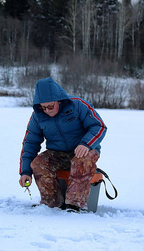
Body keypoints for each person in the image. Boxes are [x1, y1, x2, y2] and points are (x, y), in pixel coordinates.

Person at [18, 77, 107, 211]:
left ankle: (75, 205)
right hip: (57, 153)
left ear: (59, 100)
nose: (47, 110)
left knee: (81, 159)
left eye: (50, 106)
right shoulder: (37, 116)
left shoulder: (78, 105)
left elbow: (99, 126)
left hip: (84, 149)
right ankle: (52, 203)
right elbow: (30, 143)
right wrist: (25, 172)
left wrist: (86, 144)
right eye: (43, 107)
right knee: (38, 163)